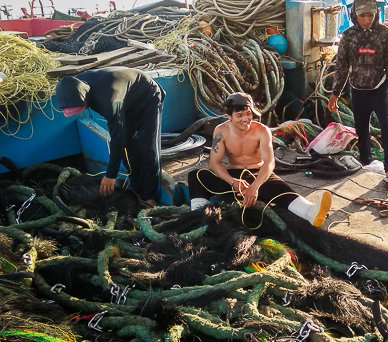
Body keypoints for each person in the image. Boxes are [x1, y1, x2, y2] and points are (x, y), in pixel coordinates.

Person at [187, 93, 332, 227]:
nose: (245, 119)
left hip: (257, 175)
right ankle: (199, 215)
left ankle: (310, 212)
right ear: (229, 116)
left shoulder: (262, 131)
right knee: (196, 176)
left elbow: (270, 162)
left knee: (281, 189)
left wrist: (255, 187)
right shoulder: (220, 131)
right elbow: (214, 163)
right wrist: (233, 182)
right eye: (239, 115)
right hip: (234, 179)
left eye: (248, 114)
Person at [56, 67, 164, 207]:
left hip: (147, 96)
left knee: (147, 148)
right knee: (129, 150)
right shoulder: (75, 85)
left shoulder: (108, 100)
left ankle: (151, 197)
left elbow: (118, 138)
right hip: (126, 100)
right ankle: (137, 188)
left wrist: (110, 175)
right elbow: (123, 142)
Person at [328, 0, 388, 185]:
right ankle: (365, 162)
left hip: (380, 88)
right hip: (357, 89)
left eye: (370, 15)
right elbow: (342, 67)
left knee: (387, 126)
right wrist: (334, 95)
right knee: (361, 129)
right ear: (355, 15)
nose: (367, 20)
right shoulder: (348, 36)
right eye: (363, 16)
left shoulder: (386, 34)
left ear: (376, 14)